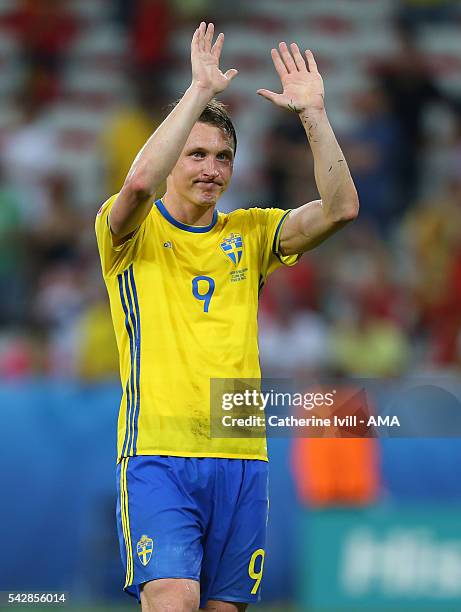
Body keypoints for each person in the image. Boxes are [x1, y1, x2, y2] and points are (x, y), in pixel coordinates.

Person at [95, 21, 358, 612]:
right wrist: (197, 94)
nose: (211, 168)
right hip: (158, 451)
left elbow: (342, 208)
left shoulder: (252, 233)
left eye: (223, 157)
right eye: (197, 154)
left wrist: (313, 114)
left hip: (241, 453)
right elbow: (139, 181)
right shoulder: (128, 231)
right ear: (175, 155)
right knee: (172, 597)